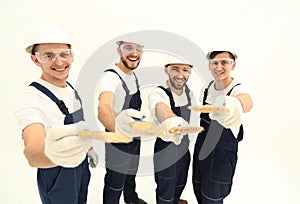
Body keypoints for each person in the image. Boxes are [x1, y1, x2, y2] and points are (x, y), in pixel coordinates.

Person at [14, 23, 96, 204]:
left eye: (63, 54)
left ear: (72, 56)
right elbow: (33, 153)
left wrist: (89, 148)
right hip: (56, 173)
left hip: (81, 166)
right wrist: (62, 153)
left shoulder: (71, 88)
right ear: (36, 60)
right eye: (48, 56)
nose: (59, 62)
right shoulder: (30, 98)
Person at [192, 51, 253, 203]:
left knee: (213, 196)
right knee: (198, 187)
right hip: (202, 149)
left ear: (233, 64)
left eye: (224, 62)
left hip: (221, 155)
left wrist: (234, 104)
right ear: (209, 66)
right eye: (214, 63)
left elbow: (247, 102)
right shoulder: (207, 89)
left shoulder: (237, 89)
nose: (219, 67)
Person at [97, 40, 147, 204]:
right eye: (128, 48)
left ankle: (131, 199)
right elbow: (104, 109)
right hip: (118, 138)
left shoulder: (132, 75)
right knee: (115, 181)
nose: (134, 53)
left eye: (138, 48)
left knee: (131, 173)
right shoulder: (111, 77)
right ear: (119, 50)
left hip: (134, 135)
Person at [148, 61, 195, 204]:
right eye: (175, 69)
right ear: (166, 70)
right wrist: (171, 121)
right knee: (165, 191)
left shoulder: (188, 92)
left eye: (185, 70)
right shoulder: (158, 93)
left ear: (190, 72)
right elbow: (160, 107)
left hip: (184, 149)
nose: (180, 75)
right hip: (166, 152)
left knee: (180, 183)